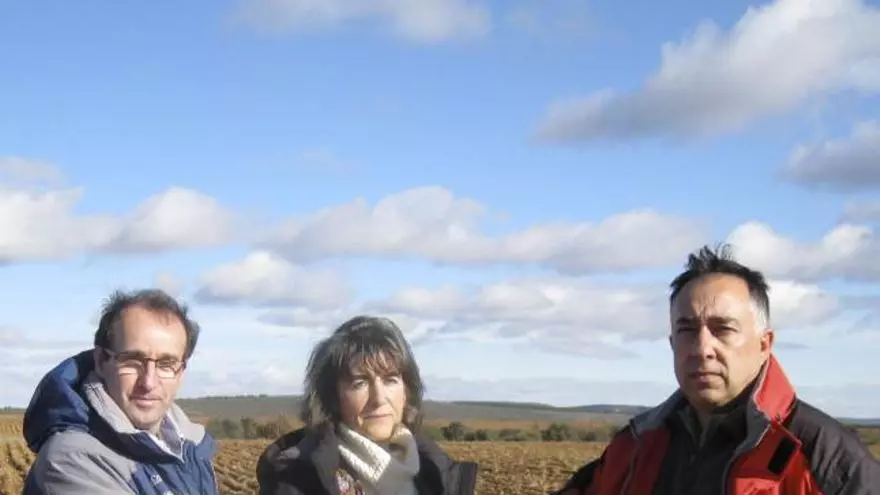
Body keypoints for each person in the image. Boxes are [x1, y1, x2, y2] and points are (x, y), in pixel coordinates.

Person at [553, 244, 880, 495]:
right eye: (686, 330)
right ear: (672, 343)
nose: (702, 348)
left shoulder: (825, 459)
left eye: (723, 328)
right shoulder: (634, 447)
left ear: (764, 344)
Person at [22, 289, 218, 494]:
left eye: (166, 364)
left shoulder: (191, 449)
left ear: (181, 373)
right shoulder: (72, 460)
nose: (148, 382)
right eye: (132, 361)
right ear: (101, 361)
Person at [256, 315, 478, 495]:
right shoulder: (296, 478)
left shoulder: (437, 473)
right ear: (333, 396)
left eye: (391, 380)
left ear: (406, 391)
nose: (379, 399)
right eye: (359, 383)